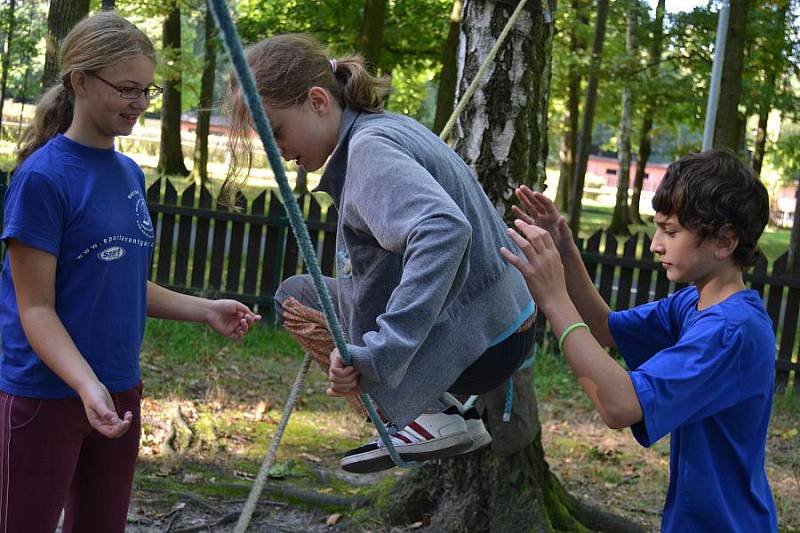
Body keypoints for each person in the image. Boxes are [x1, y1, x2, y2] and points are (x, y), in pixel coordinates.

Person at [223, 33, 536, 473]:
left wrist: (383, 355)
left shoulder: (369, 150)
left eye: (276, 132)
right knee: (308, 290)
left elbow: (443, 230)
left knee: (294, 299)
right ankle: (439, 412)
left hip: (483, 338)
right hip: (504, 323)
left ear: (318, 101)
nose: (276, 152)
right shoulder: (383, 129)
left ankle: (421, 413)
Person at [0, 12, 260, 533]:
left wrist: (204, 308)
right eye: (126, 89)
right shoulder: (43, 180)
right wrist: (85, 385)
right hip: (44, 396)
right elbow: (37, 307)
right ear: (79, 81)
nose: (139, 104)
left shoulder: (127, 173)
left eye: (147, 90)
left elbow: (119, 280)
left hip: (118, 390)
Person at [502, 150, 777, 532]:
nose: (655, 244)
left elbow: (619, 406)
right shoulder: (694, 304)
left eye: (671, 230)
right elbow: (604, 327)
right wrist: (564, 248)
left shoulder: (732, 332)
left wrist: (553, 299)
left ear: (724, 241)